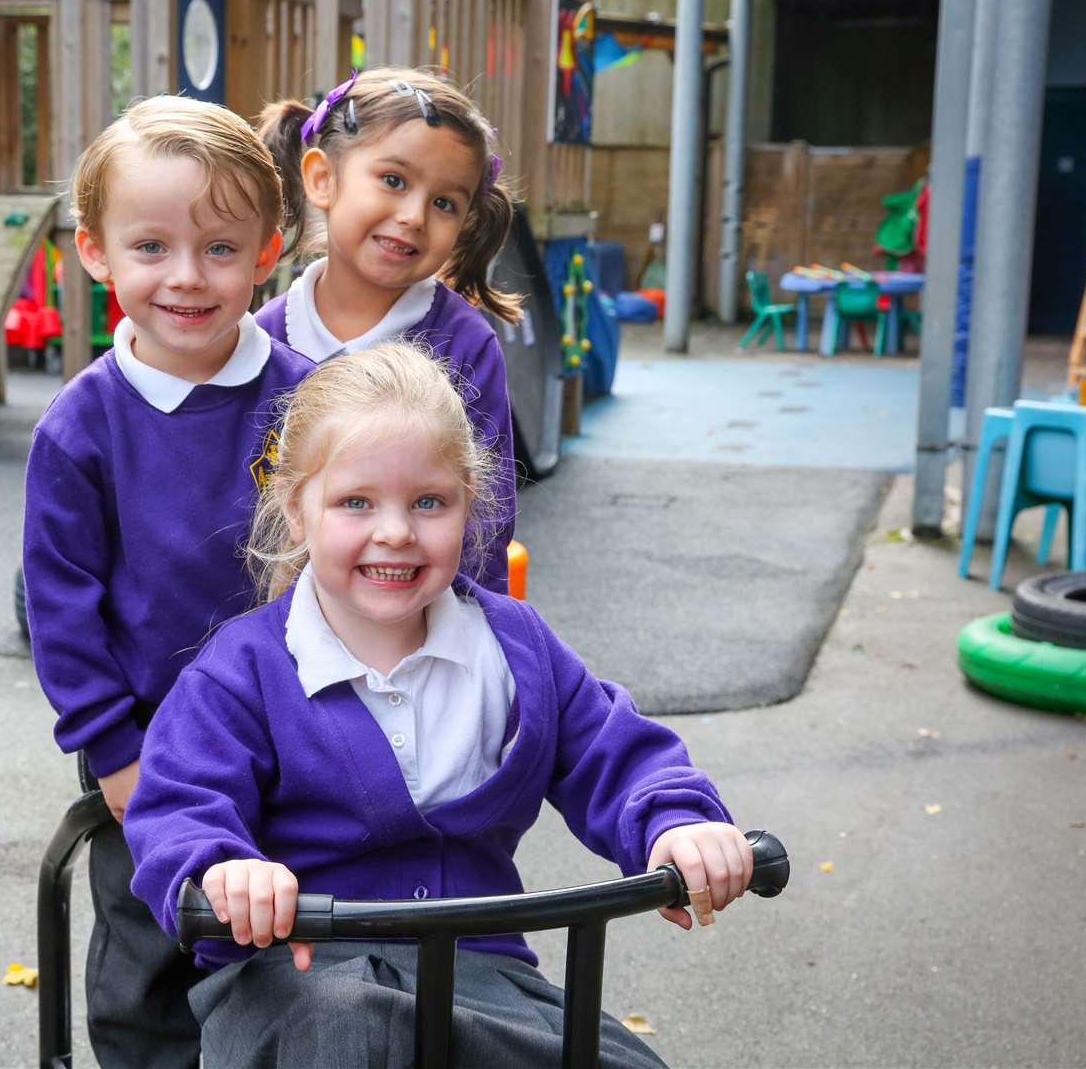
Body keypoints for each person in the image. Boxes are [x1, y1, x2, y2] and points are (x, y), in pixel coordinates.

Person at [124, 341, 753, 1067]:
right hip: (299, 974)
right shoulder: (242, 671)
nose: (395, 530)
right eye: (356, 502)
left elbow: (613, 750)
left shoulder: (514, 647)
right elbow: (179, 804)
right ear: (297, 511)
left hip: (481, 976)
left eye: (428, 502)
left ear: (469, 505)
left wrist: (676, 823)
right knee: (350, 1034)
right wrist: (221, 868)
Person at [22, 94, 311, 1069]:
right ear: (96, 252)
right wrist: (113, 756)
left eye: (220, 249)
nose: (187, 278)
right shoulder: (83, 426)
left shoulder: (309, 400)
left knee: (296, 940)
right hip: (149, 744)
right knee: (155, 957)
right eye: (151, 247)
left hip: (296, 732)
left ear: (268, 251)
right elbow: (62, 611)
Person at [256, 67, 521, 594]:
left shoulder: (464, 347)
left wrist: (460, 632)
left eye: (445, 202)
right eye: (393, 181)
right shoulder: (262, 339)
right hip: (280, 626)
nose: (414, 216)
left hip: (416, 620)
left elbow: (487, 515)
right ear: (322, 178)